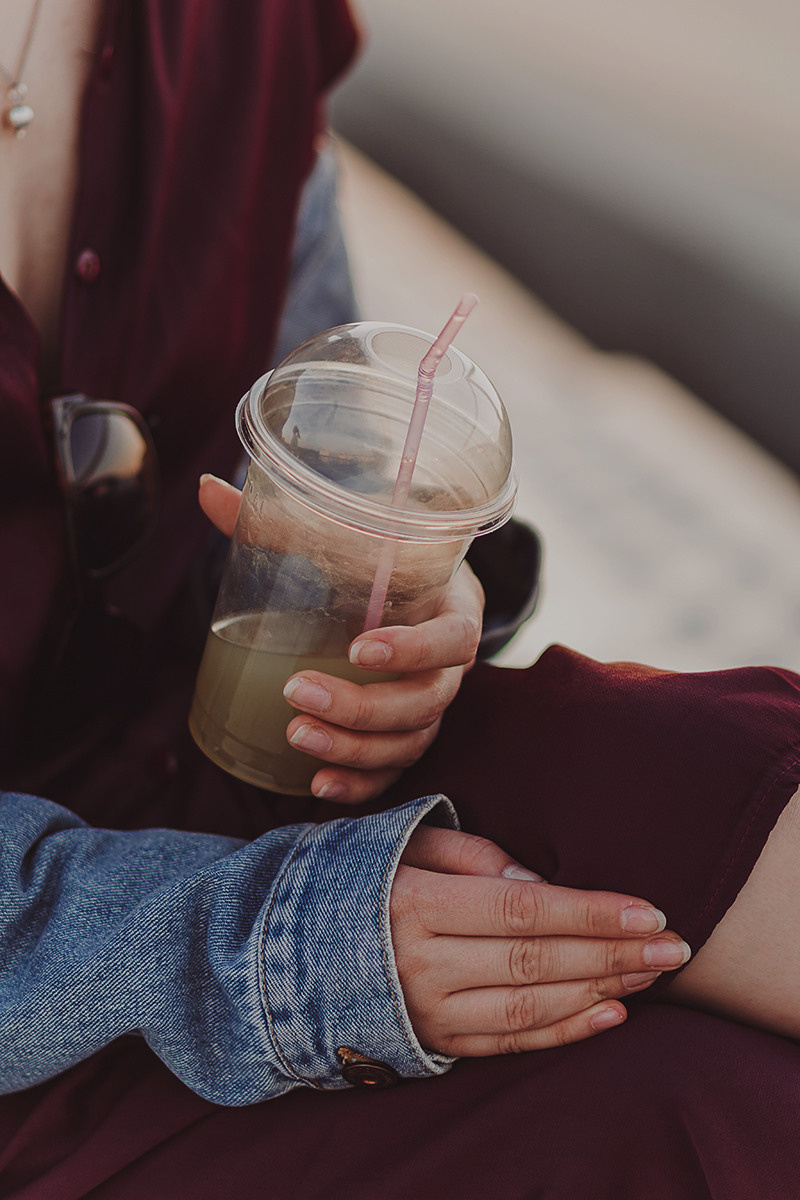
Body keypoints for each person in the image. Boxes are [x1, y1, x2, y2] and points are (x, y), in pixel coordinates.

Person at [2, 3, 800, 1197]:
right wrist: (276, 951)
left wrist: (411, 584)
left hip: (232, 731)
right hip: (48, 982)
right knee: (689, 1114)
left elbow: (315, 415)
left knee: (688, 768)